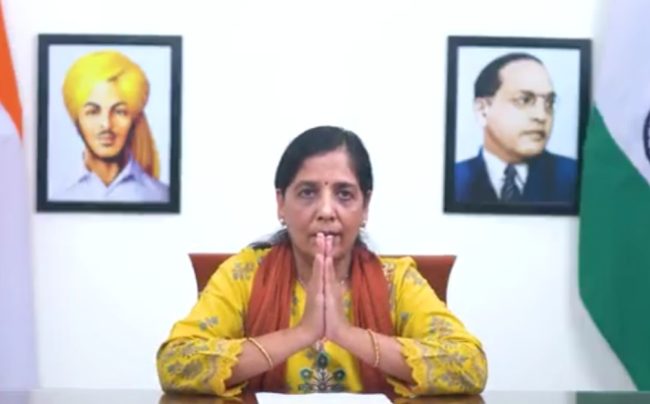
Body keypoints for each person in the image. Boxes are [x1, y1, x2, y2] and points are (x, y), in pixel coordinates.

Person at [156, 126, 487, 397]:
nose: (327, 211)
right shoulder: (244, 275)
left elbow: (469, 366)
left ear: (365, 206)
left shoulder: (396, 281)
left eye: (344, 194)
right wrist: (302, 333)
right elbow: (175, 363)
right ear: (280, 203)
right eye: (307, 192)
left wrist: (345, 334)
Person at [454, 52, 578, 204]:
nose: (542, 116)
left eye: (549, 103)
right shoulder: (454, 180)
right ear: (483, 110)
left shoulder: (575, 178)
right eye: (524, 100)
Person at [51, 50, 169, 203]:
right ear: (77, 120)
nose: (106, 124)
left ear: (134, 119)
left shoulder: (161, 195)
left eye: (119, 111)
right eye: (93, 112)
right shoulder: (55, 193)